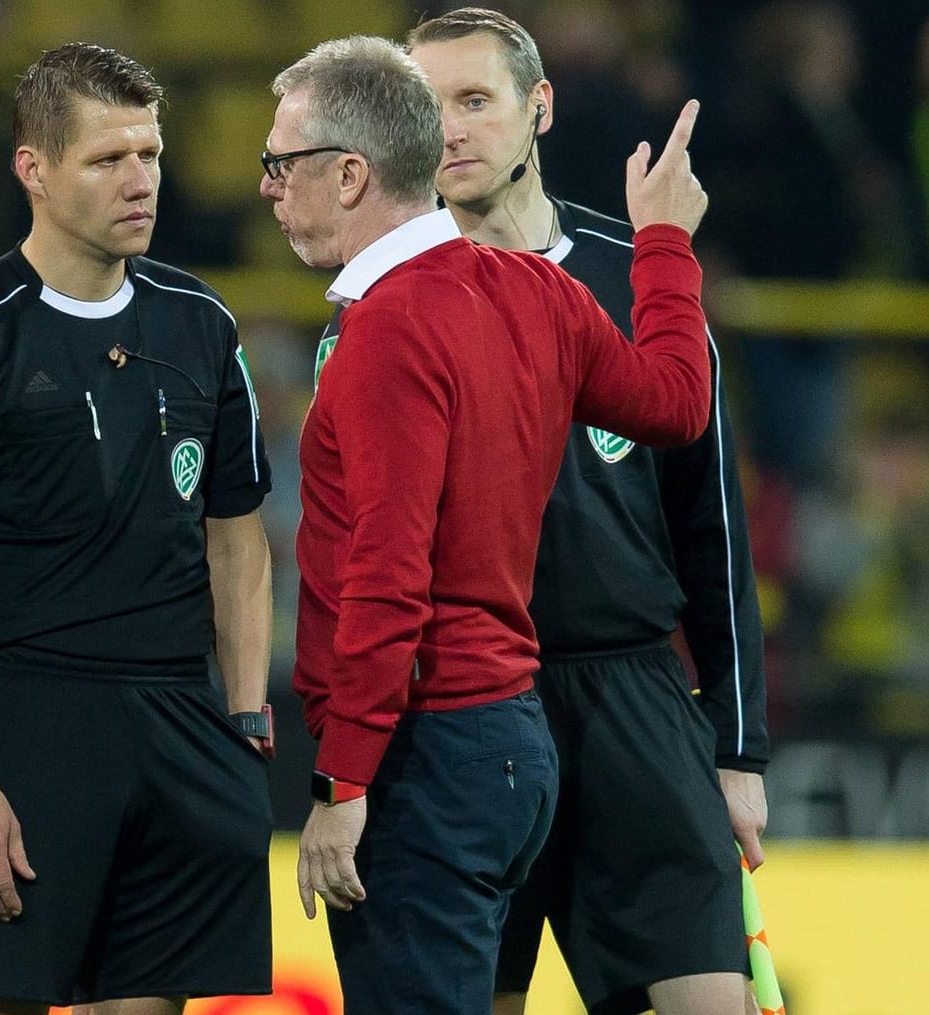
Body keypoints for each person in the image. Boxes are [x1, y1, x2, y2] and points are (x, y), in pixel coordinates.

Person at [263, 36, 713, 1014]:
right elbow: (678, 401)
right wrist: (664, 251)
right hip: (513, 749)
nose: (266, 188)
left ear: (349, 173)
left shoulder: (384, 324)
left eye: (279, 165)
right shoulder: (542, 290)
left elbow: (388, 570)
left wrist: (341, 783)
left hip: (421, 748)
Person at [0, 42, 275, 1015]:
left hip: (179, 718)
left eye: (150, 154)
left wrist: (247, 716)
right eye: (108, 159)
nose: (140, 181)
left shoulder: (203, 324)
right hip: (24, 724)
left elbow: (238, 538)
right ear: (34, 170)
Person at [405, 10, 771, 1015]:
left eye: (473, 101)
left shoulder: (640, 274)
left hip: (634, 699)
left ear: (539, 107)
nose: (449, 130)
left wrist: (737, 749)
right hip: (469, 708)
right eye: (424, 108)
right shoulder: (391, 299)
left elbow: (714, 530)